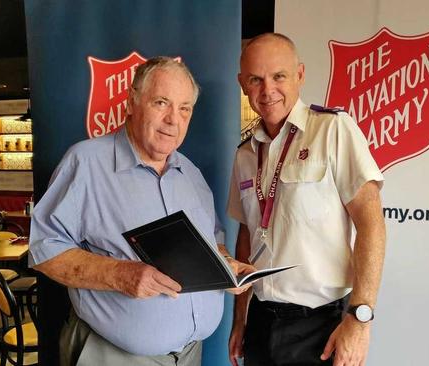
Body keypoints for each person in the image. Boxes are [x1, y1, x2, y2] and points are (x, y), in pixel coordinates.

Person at [29, 56, 251, 366]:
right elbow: (44, 251)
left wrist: (228, 266)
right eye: (162, 103)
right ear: (132, 103)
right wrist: (120, 275)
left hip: (190, 354)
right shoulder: (86, 162)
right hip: (114, 355)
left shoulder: (192, 175)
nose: (174, 119)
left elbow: (212, 243)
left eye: (184, 108)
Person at [227, 33, 386, 366]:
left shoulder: (332, 130)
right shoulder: (245, 153)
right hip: (259, 320)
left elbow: (371, 224)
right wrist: (240, 318)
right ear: (243, 84)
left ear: (299, 75)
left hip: (320, 324)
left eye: (278, 76)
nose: (267, 90)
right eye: (255, 79)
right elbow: (247, 235)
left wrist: (360, 318)